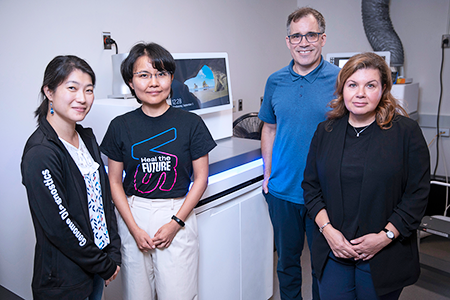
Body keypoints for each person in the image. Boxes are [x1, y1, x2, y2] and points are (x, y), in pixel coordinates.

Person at [302, 52, 430, 300]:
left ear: (383, 89)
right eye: (353, 85)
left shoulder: (405, 133)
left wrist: (386, 237)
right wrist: (328, 231)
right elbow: (311, 187)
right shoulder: (325, 131)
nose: (360, 93)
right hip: (334, 250)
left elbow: (417, 194)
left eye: (370, 85)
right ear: (342, 89)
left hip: (382, 253)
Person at [100, 42, 216, 300]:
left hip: (176, 212)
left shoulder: (191, 124)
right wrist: (133, 228)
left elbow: (201, 179)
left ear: (171, 78)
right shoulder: (120, 126)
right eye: (144, 75)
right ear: (131, 82)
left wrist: (176, 223)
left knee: (179, 295)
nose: (153, 82)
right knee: (136, 295)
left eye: (161, 74)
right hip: (134, 214)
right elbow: (115, 182)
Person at [21, 55, 121, 300]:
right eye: (72, 88)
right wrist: (103, 263)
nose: (83, 98)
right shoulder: (41, 152)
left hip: (97, 266)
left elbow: (103, 199)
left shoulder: (86, 138)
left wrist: (114, 251)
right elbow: (60, 226)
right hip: (65, 280)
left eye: (89, 90)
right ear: (49, 92)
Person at [258, 7, 340, 300]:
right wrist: (268, 174)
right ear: (288, 41)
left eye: (311, 34)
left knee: (324, 267)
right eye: (297, 36)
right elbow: (269, 128)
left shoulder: (342, 80)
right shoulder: (275, 81)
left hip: (326, 193)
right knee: (287, 264)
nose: (303, 42)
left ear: (323, 38)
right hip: (283, 191)